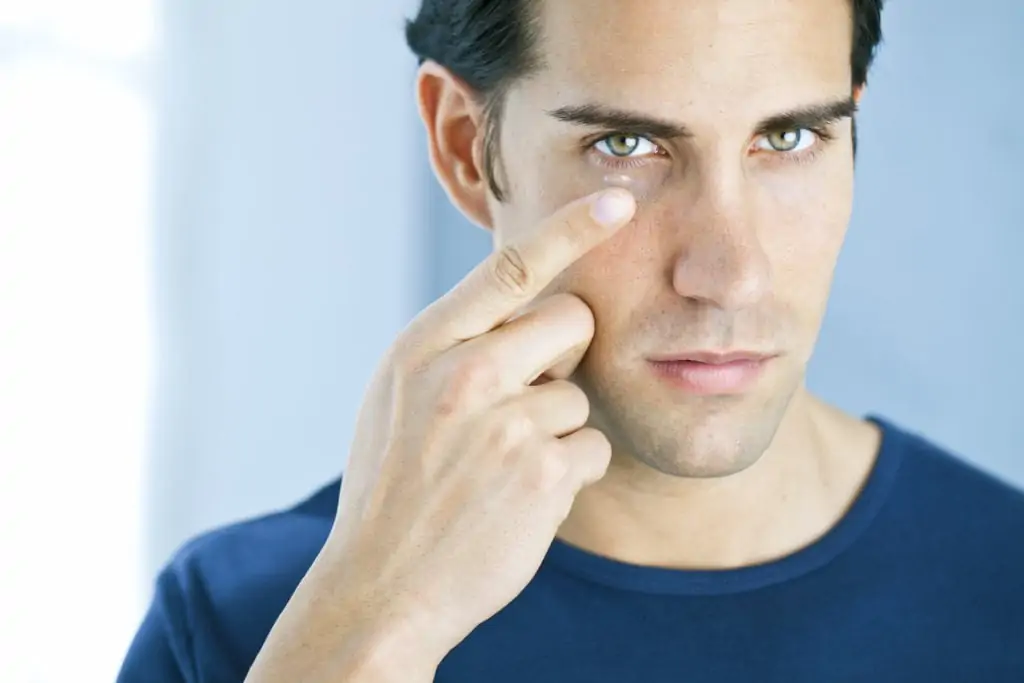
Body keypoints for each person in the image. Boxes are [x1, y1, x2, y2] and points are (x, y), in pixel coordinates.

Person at [118, 0, 1024, 680]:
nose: (731, 272)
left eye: (788, 137)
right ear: (467, 148)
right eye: (627, 143)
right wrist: (374, 628)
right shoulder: (247, 623)